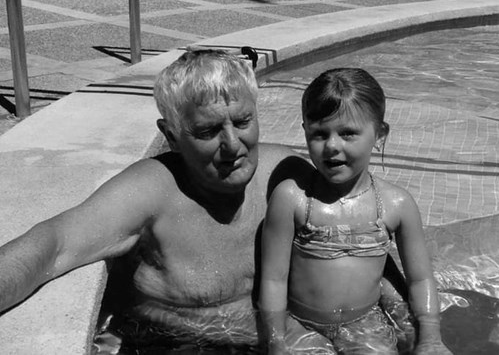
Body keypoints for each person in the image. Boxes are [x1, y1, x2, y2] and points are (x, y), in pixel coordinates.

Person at [0, 50, 311, 353]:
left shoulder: (283, 176)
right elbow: (54, 244)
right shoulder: (152, 190)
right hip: (170, 344)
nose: (232, 145)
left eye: (243, 121)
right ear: (171, 136)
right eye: (208, 131)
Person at [259, 68, 451, 354]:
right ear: (305, 131)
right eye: (319, 134)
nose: (332, 146)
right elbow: (273, 279)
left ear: (379, 134)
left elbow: (421, 279)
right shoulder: (292, 199)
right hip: (301, 324)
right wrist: (275, 341)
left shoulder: (396, 204)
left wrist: (431, 339)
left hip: (363, 323)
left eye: (348, 133)